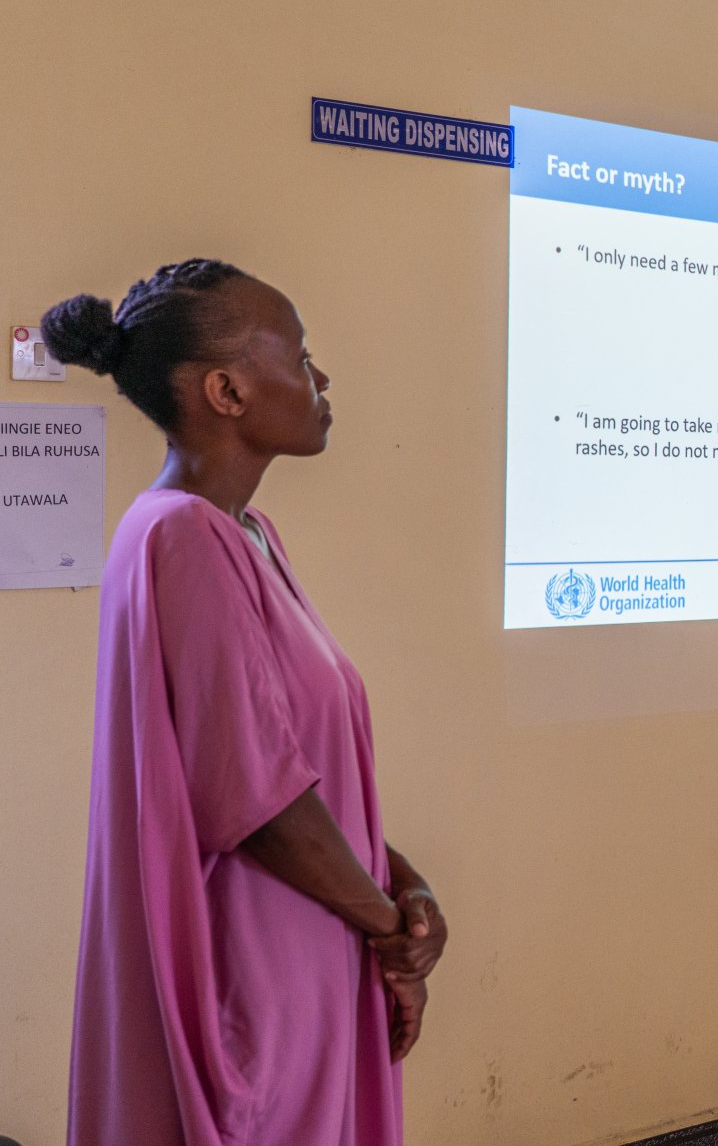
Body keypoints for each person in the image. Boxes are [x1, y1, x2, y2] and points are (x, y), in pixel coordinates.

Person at [45, 261, 448, 1145]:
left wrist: (404, 882)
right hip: (255, 967)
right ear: (226, 389)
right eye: (301, 357)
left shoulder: (247, 535)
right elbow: (257, 800)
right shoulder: (181, 534)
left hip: (310, 940)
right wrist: (391, 929)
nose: (321, 377)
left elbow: (290, 762)